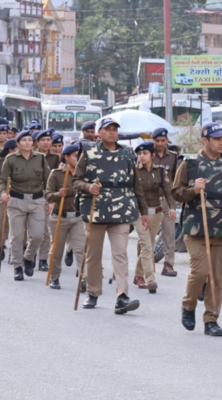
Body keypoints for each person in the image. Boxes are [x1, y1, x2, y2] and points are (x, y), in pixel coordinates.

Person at [173, 123, 222, 337]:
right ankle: (188, 305)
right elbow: (176, 193)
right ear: (204, 140)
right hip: (196, 227)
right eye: (216, 138)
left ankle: (211, 319)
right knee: (200, 272)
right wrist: (193, 190)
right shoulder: (190, 164)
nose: (221, 141)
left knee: (216, 277)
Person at [71, 116, 141, 315]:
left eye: (115, 129)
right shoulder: (89, 151)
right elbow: (76, 181)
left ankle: (122, 297)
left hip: (122, 210)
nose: (112, 132)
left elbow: (136, 184)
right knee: (93, 255)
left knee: (120, 254)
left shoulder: (128, 153)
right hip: (96, 210)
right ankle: (93, 292)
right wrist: (88, 187)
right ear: (99, 132)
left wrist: (142, 211)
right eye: (108, 129)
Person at [0, 130, 49, 281]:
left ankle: (28, 257)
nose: (27, 142)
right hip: (16, 201)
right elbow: (2, 180)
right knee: (17, 236)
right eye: (24, 140)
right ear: (18, 143)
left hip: (37, 200)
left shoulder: (40, 158)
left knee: (38, 235)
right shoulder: (11, 159)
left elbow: (48, 180)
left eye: (29, 140)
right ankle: (18, 266)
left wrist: (49, 200)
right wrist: (2, 193)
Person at [132, 141, 175, 294]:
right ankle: (150, 279)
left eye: (145, 154)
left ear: (153, 155)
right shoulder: (134, 171)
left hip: (156, 213)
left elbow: (168, 191)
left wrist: (172, 207)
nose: (141, 156)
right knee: (146, 245)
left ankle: (138, 275)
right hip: (139, 213)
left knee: (148, 244)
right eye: (139, 154)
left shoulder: (160, 171)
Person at [45, 144, 86, 291]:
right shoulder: (56, 174)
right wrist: (58, 194)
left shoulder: (85, 173)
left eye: (80, 155)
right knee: (56, 250)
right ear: (66, 157)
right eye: (75, 155)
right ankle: (54, 277)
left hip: (78, 217)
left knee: (81, 249)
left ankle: (84, 278)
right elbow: (48, 194)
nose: (79, 158)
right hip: (59, 217)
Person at [151, 128, 181, 278]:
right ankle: (145, 263)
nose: (160, 143)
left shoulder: (173, 157)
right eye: (157, 141)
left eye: (163, 140)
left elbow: (176, 179)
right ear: (153, 141)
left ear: (167, 141)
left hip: (168, 201)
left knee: (169, 233)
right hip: (152, 201)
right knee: (148, 233)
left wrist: (177, 201)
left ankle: (169, 265)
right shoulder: (147, 155)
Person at [32, 130, 60, 272]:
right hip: (31, 194)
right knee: (32, 230)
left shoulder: (56, 158)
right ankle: (30, 255)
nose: (46, 143)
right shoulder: (31, 156)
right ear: (37, 142)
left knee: (47, 229)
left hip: (47, 194)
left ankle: (43, 259)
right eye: (43, 140)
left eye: (48, 140)